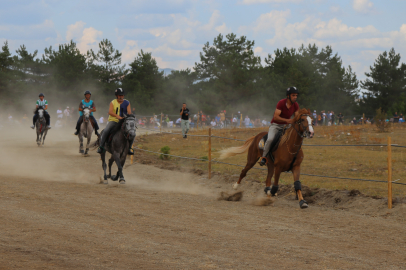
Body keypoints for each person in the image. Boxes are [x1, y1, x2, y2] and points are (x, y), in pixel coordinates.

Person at [259, 87, 300, 166]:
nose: (295, 97)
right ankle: (264, 157)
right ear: (288, 96)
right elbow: (276, 117)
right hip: (276, 125)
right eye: (293, 95)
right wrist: (288, 120)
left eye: (296, 95)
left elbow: (296, 117)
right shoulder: (281, 103)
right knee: (270, 139)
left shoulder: (295, 105)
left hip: (287, 126)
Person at [97, 88, 134, 155]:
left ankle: (129, 148)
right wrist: (118, 117)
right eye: (119, 95)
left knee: (132, 132)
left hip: (124, 121)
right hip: (113, 121)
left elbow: (129, 112)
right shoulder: (112, 102)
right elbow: (110, 112)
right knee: (106, 130)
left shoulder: (127, 102)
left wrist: (130, 116)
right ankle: (101, 146)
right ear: (116, 95)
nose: (121, 97)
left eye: (122, 95)